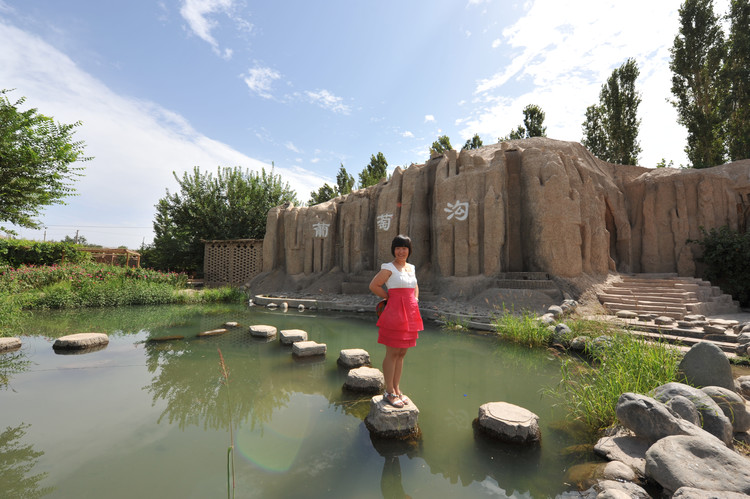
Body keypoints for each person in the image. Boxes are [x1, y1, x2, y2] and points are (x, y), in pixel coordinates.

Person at [368, 234, 424, 408]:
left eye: (404, 248)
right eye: (398, 248)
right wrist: (389, 297)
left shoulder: (411, 268)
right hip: (394, 313)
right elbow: (374, 285)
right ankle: (389, 391)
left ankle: (397, 388)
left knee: (401, 354)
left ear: (409, 250)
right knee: (392, 353)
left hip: (410, 313)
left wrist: (415, 299)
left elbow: (414, 285)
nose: (401, 251)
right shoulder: (388, 267)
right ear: (394, 250)